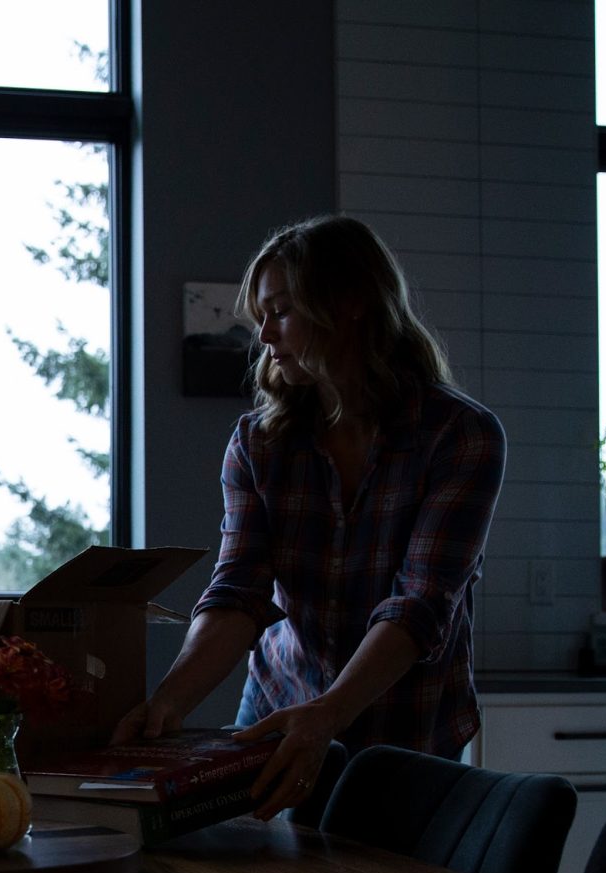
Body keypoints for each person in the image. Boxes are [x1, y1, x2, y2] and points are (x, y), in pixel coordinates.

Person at [113, 214, 505, 820]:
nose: (264, 336)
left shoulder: (462, 436)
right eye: (261, 317)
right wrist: (167, 703)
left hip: (411, 734)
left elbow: (421, 601)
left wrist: (329, 714)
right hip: (276, 714)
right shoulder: (259, 444)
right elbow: (239, 591)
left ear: (349, 303)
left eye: (280, 311)